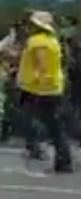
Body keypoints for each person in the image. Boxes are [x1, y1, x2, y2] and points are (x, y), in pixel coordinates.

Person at [17, 11, 72, 172]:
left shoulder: (37, 41)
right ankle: (63, 160)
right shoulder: (52, 41)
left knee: (29, 120)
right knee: (55, 126)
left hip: (38, 90)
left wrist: (38, 80)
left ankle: (37, 149)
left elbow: (42, 65)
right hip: (51, 89)